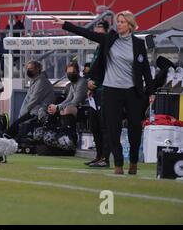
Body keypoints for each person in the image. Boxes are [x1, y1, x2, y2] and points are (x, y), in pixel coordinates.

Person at [53, 11, 154, 175]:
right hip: (111, 90)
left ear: (130, 25)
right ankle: (119, 164)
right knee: (113, 128)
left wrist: (151, 91)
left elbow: (145, 70)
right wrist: (64, 24)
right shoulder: (109, 39)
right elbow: (87, 33)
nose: (119, 24)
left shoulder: (138, 44)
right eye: (118, 21)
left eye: (122, 22)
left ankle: (134, 161)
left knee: (135, 128)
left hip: (132, 91)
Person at [5, 60, 55, 138]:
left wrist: (24, 112)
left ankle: (6, 138)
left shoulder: (41, 82)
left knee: (17, 125)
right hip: (33, 110)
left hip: (38, 111)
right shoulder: (35, 81)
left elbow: (34, 100)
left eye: (31, 69)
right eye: (27, 69)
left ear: (38, 69)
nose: (28, 71)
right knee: (16, 125)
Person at [85, 20, 111, 168]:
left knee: (104, 126)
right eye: (96, 28)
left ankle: (105, 158)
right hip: (95, 92)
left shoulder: (108, 47)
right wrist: (90, 85)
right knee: (94, 125)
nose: (97, 31)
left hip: (104, 91)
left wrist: (96, 83)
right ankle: (98, 155)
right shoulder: (98, 48)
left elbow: (107, 70)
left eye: (100, 28)